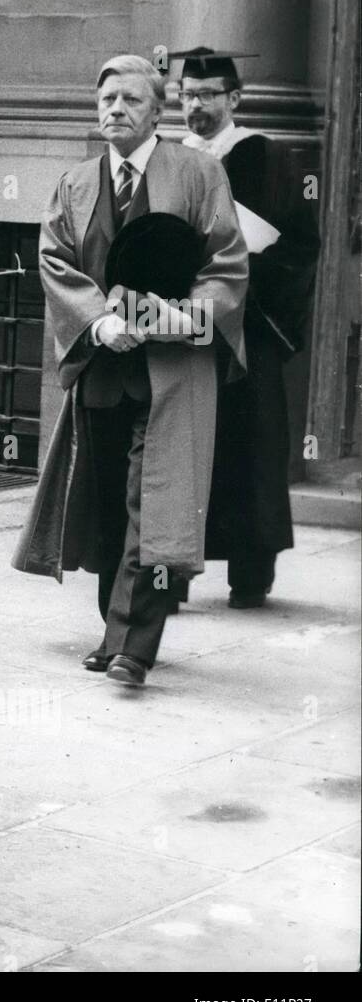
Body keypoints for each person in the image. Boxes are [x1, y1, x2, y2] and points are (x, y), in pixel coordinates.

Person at [12, 54, 248, 688]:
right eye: (108, 99)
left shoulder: (199, 174)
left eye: (132, 101)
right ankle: (111, 632)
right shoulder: (75, 185)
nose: (116, 110)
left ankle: (134, 646)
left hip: (172, 371)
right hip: (105, 368)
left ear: (158, 111)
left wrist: (180, 318)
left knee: (159, 502)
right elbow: (56, 263)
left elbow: (226, 263)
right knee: (109, 505)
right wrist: (97, 321)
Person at [172, 46, 321, 609]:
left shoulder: (266, 158)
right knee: (183, 448)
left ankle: (250, 575)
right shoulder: (169, 158)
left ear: (234, 99)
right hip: (184, 326)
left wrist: (241, 281)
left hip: (249, 329)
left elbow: (302, 246)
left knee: (250, 445)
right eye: (187, 95)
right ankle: (175, 569)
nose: (196, 106)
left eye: (208, 95)